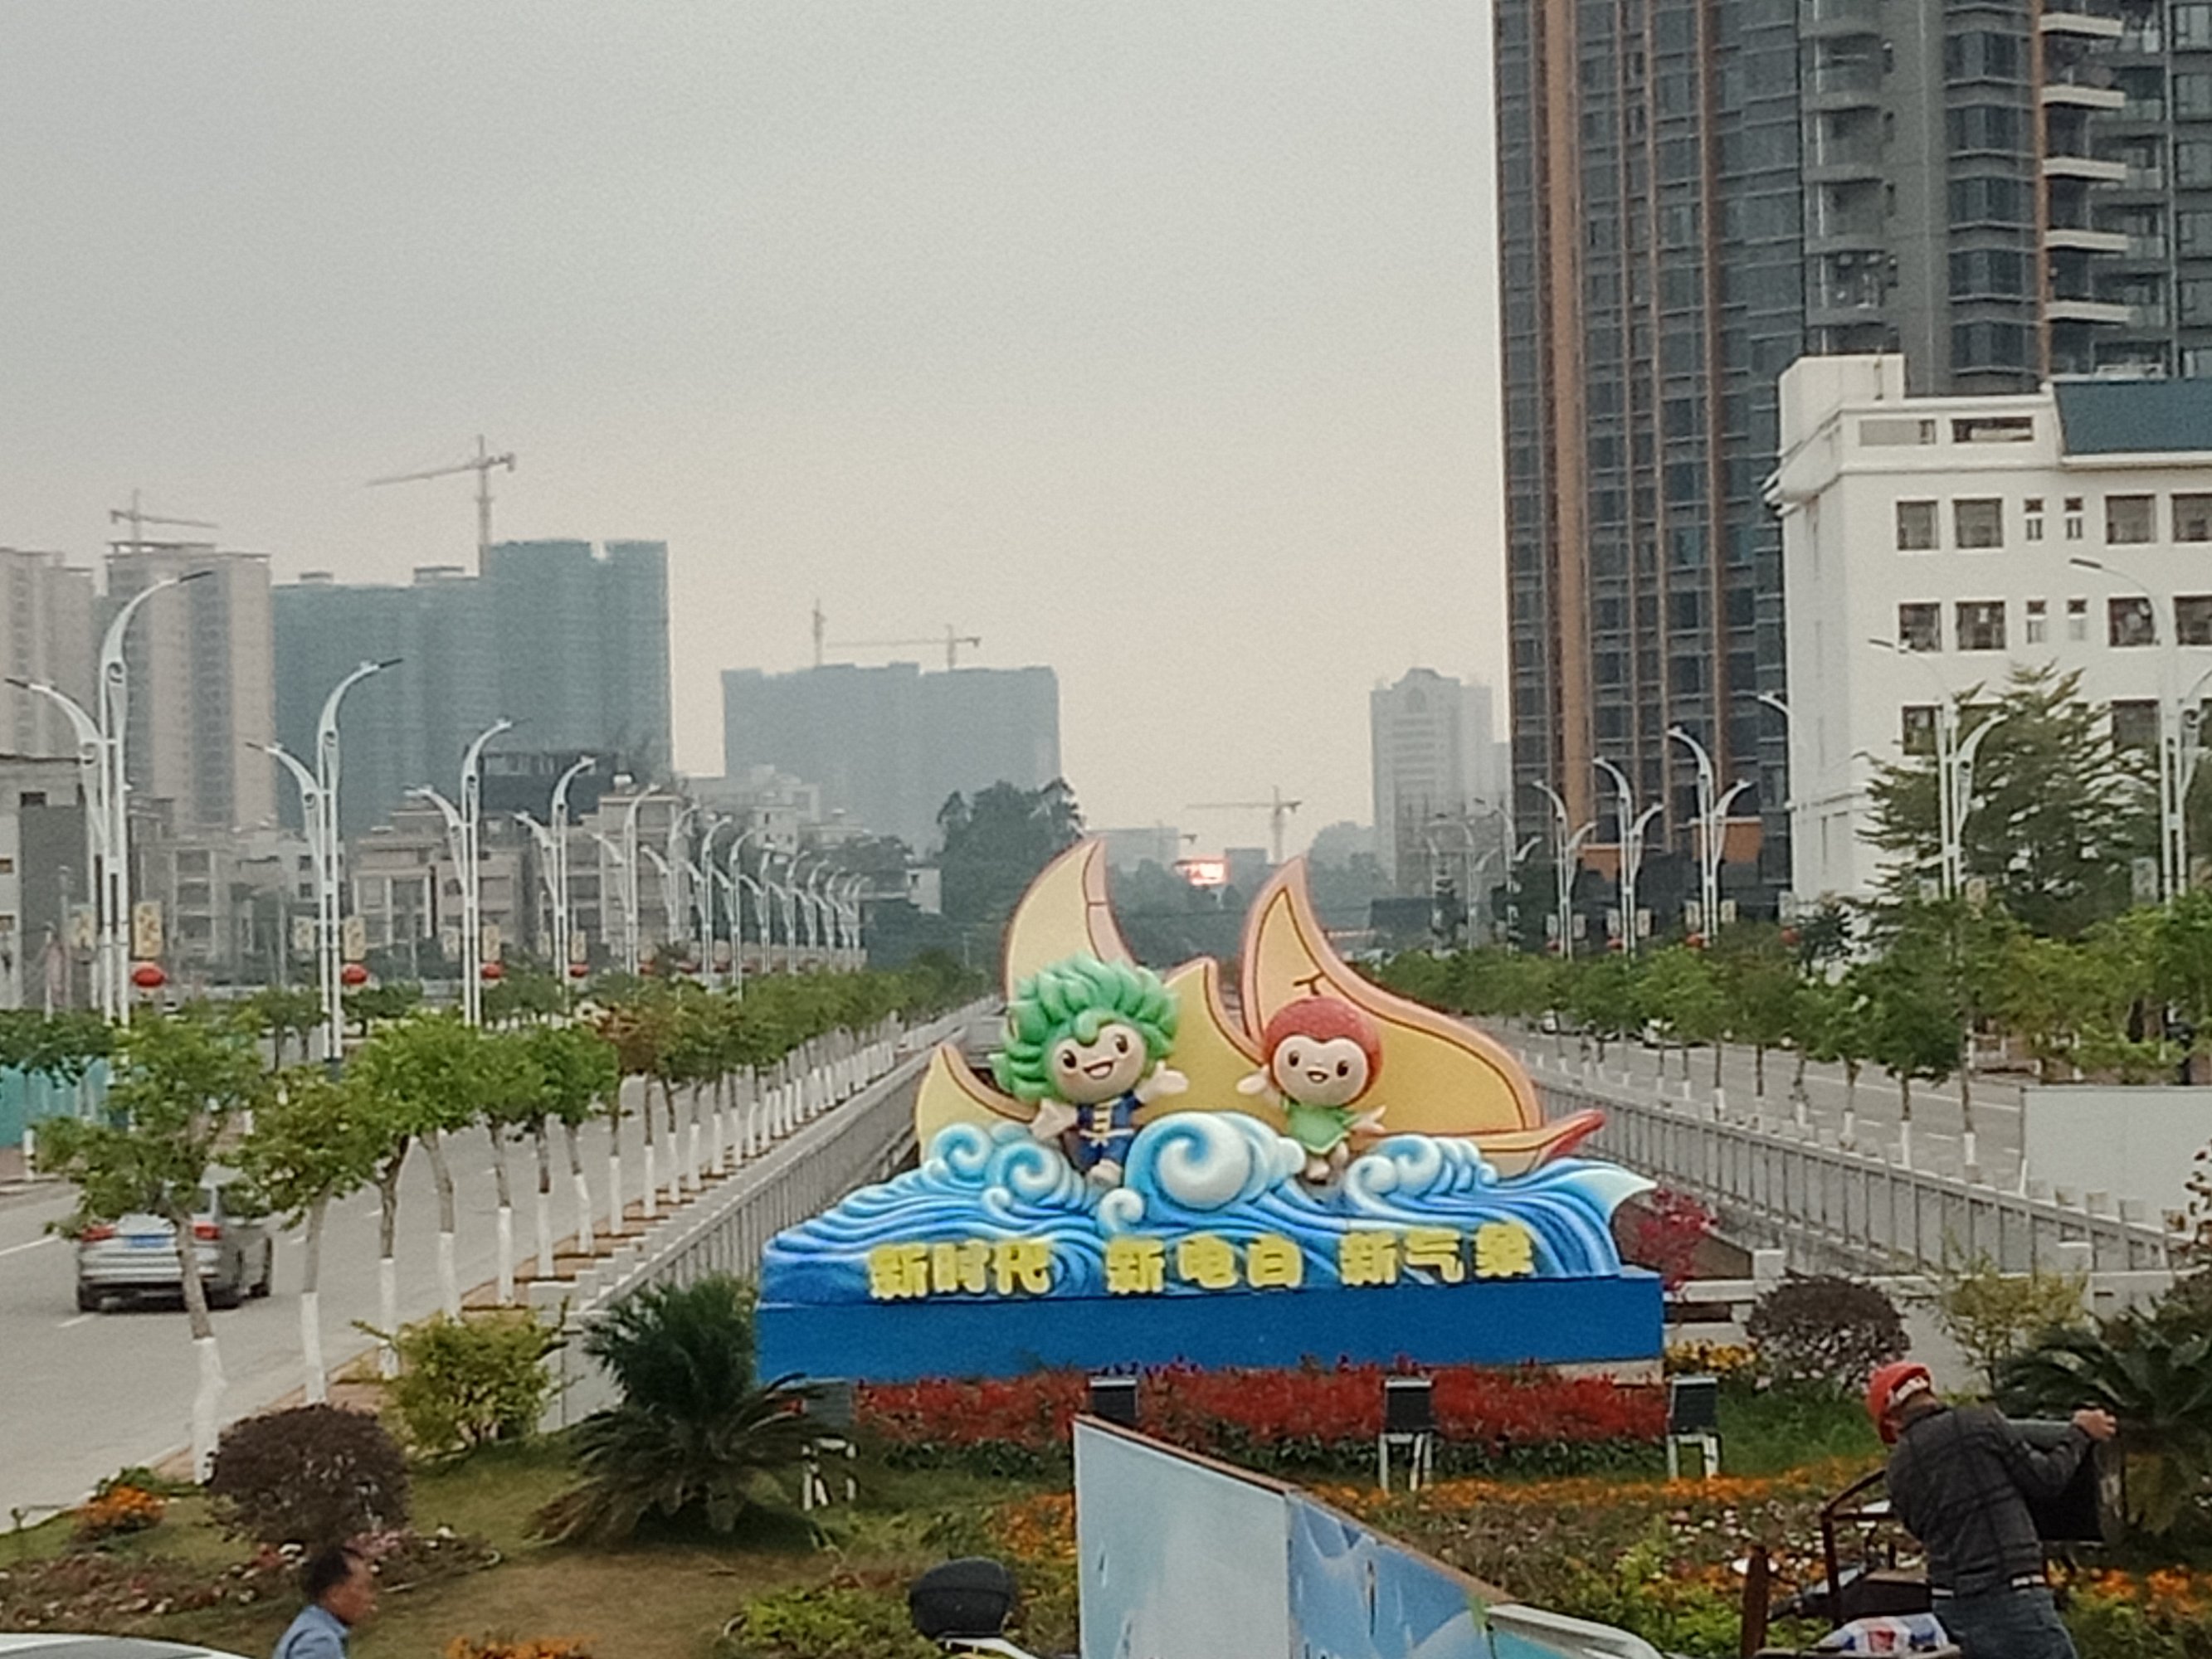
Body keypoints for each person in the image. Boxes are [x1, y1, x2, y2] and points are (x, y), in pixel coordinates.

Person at [1868, 1360, 2117, 1659]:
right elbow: (2047, 1480)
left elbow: (1918, 1529)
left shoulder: (1896, 1471)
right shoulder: (1980, 1423)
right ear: (1929, 1392)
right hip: (2010, 1593)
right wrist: (2080, 1432)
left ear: (1893, 1423)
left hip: (1950, 1604)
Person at [272, 1544, 376, 1659]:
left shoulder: (310, 1626)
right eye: (362, 1587)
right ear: (335, 1594)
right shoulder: (319, 1642)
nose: (369, 1597)